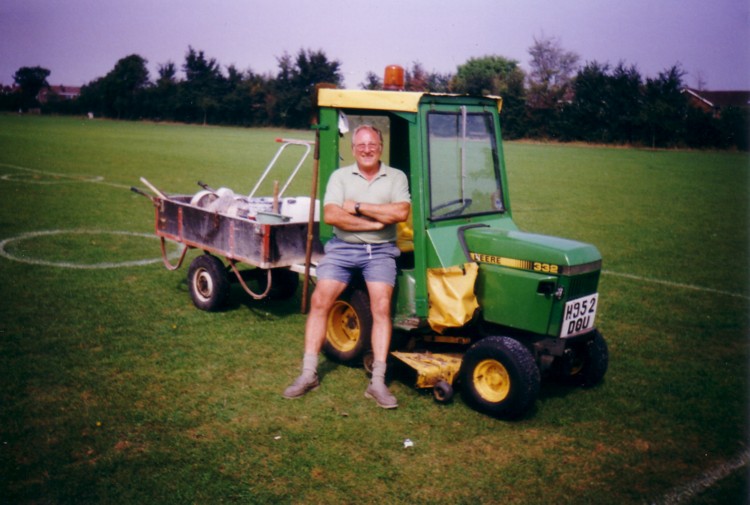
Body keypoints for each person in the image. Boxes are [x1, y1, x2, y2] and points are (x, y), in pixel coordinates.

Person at [283, 124, 411, 409]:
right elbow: (331, 215)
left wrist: (357, 207)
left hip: (380, 252)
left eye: (373, 144)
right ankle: (308, 374)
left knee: (381, 307)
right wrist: (376, 222)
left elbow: (401, 212)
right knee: (320, 300)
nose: (367, 149)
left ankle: (377, 382)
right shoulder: (340, 176)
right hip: (342, 249)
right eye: (361, 145)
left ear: (380, 147)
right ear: (353, 149)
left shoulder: (396, 177)